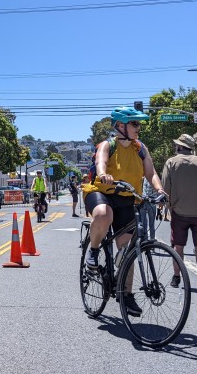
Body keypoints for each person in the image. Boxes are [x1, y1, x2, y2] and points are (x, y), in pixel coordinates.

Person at [83, 106, 165, 317]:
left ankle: (126, 294)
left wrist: (160, 190)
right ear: (120, 126)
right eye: (134, 123)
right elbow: (101, 162)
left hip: (127, 198)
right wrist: (103, 174)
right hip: (101, 192)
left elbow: (151, 173)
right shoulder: (108, 145)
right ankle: (93, 252)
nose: (138, 127)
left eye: (139, 123)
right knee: (104, 214)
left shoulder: (140, 148)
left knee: (128, 250)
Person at [161, 133, 197, 291]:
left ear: (180, 147)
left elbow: (165, 187)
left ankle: (176, 277)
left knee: (178, 246)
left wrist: (169, 206)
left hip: (179, 212)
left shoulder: (171, 162)